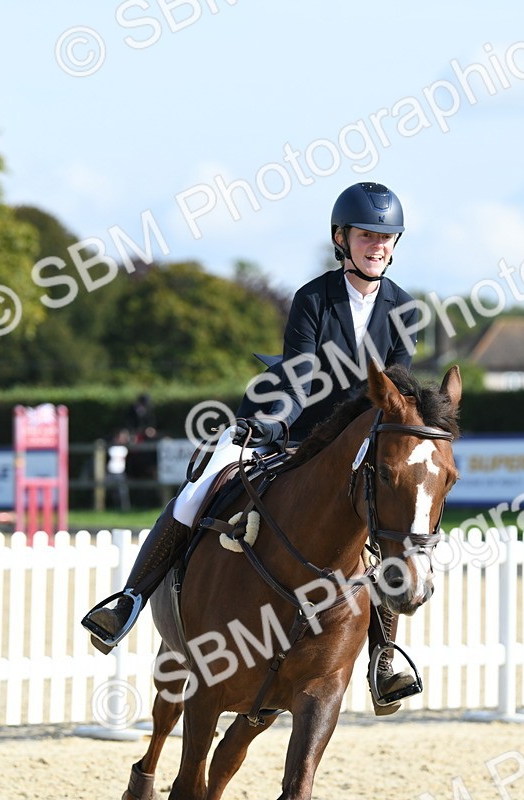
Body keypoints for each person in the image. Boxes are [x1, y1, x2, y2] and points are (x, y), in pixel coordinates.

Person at [81, 182, 421, 712]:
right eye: (366, 235)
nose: (376, 245)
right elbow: (299, 372)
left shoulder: (404, 307)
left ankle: (384, 658)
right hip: (297, 427)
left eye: (385, 236)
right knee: (199, 488)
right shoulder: (314, 298)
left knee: (385, 532)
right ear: (342, 239)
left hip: (360, 443)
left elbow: (397, 387)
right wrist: (268, 423)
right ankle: (129, 599)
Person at [106, 428, 131, 511]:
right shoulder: (110, 446)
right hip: (110, 473)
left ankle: (125, 509)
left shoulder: (126, 448)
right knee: (104, 491)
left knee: (123, 492)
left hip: (120, 473)